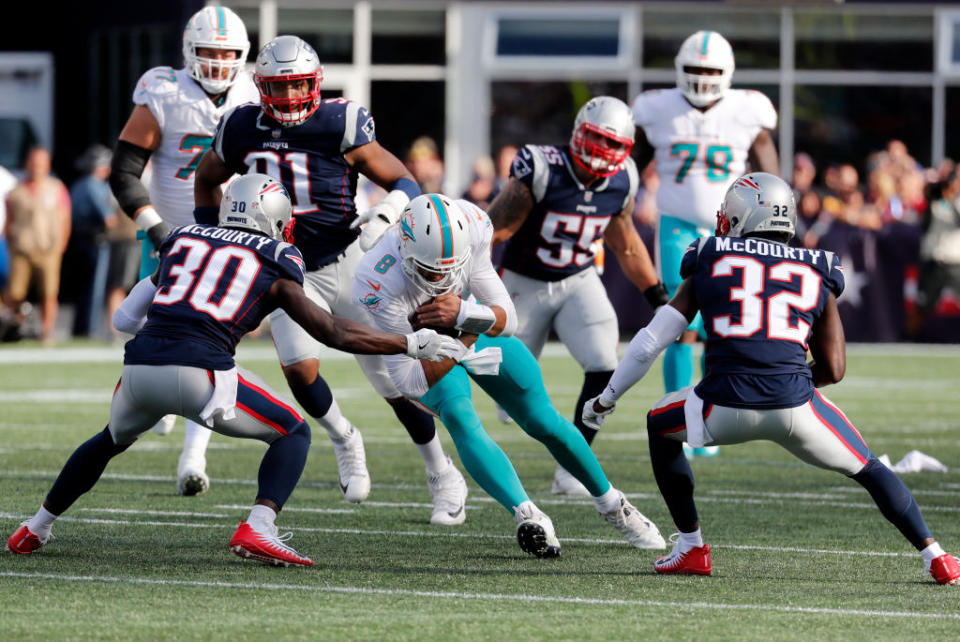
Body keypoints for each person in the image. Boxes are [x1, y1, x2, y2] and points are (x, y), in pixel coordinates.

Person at [6, 174, 460, 567]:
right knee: (293, 432)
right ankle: (259, 526)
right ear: (277, 219)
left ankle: (36, 526)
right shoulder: (280, 257)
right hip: (203, 372)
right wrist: (408, 342)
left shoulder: (182, 239)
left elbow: (123, 320)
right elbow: (332, 332)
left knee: (109, 441)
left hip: (139, 370)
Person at [581, 173, 960, 585]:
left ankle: (691, 546)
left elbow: (652, 341)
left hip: (719, 406)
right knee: (869, 468)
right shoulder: (819, 266)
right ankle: (936, 556)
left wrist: (607, 397)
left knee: (660, 424)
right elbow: (834, 369)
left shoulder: (709, 254)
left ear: (741, 216)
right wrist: (783, 384)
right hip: (797, 407)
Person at [194, 35, 468, 525]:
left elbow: (404, 181)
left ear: (316, 83)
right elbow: (205, 176)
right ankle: (344, 437)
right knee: (299, 371)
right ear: (260, 88)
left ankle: (440, 470)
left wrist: (386, 211)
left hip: (346, 260)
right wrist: (208, 231)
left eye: (299, 84)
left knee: (392, 375)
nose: (292, 97)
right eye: (280, 87)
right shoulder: (240, 126)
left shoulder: (338, 122)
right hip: (285, 270)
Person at [354, 193, 665, 557]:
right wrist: (459, 339)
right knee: (458, 413)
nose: (441, 277)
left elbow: (507, 318)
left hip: (466, 323)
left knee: (542, 419)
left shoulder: (474, 225)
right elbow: (410, 382)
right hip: (421, 347)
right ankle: (527, 514)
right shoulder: (375, 279)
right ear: (406, 253)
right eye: (430, 270)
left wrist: (463, 320)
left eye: (449, 267)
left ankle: (614, 505)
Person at [108, 6, 259, 494]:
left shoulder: (254, 94)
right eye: (209, 51)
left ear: (243, 56)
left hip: (228, 235)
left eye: (227, 53)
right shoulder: (165, 91)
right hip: (170, 233)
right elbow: (124, 171)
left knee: (213, 343)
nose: (217, 62)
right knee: (152, 332)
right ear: (189, 52)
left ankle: (193, 456)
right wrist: (153, 228)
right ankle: (154, 405)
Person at [489, 96, 668, 496]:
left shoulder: (624, 179)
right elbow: (493, 230)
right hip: (523, 283)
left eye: (613, 146)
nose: (603, 154)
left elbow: (626, 245)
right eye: (596, 140)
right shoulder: (542, 168)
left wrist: (658, 296)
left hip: (579, 280)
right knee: (509, 389)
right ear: (577, 134)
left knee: (605, 365)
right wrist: (474, 283)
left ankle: (572, 469)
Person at [631, 30, 779, 457]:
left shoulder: (746, 111)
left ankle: (711, 415)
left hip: (730, 229)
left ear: (727, 73)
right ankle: (679, 417)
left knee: (722, 327)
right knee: (680, 324)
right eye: (695, 70)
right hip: (677, 226)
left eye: (711, 71)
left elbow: (771, 176)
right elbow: (633, 167)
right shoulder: (657, 108)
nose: (702, 79)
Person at [3, 146, 71, 344]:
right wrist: (10, 244)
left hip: (48, 248)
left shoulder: (56, 188)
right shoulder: (16, 191)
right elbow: (9, 221)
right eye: (33, 162)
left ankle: (47, 332)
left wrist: (62, 243)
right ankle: (17, 327)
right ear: (27, 164)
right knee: (15, 293)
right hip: (22, 248)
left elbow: (65, 218)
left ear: (47, 165)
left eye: (41, 163)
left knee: (49, 293)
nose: (37, 167)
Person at [67, 144, 116, 337]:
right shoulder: (95, 186)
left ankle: (79, 328)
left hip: (79, 239)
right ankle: (89, 328)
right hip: (96, 241)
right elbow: (108, 219)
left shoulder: (79, 184)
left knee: (81, 287)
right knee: (94, 287)